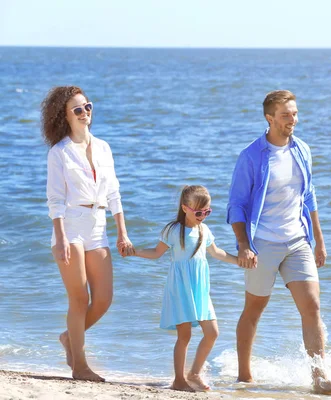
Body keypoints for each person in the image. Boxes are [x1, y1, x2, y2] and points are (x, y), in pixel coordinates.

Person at [227, 90, 331, 394]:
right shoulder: (252, 155)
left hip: (297, 241)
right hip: (263, 243)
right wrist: (243, 244)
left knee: (312, 307)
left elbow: (309, 196)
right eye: (285, 115)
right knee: (254, 310)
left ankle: (319, 379)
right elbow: (237, 205)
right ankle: (244, 376)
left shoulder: (302, 149)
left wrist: (319, 240)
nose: (292, 120)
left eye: (294, 113)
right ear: (270, 118)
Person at [43, 86, 135, 382]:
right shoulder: (59, 152)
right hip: (70, 224)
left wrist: (122, 232)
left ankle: (69, 338)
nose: (86, 113)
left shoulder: (104, 147)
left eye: (88, 107)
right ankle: (79, 367)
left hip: (98, 225)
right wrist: (59, 239)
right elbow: (55, 199)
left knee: (104, 299)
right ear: (65, 116)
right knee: (79, 298)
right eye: (78, 110)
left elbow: (114, 193)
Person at [128, 185, 239, 392]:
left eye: (207, 212)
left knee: (212, 332)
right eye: (199, 212)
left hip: (200, 287)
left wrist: (239, 261)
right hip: (180, 287)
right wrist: (134, 252)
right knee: (184, 336)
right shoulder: (173, 230)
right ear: (185, 208)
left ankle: (194, 373)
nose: (203, 216)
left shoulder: (204, 230)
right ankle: (178, 380)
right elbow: (156, 253)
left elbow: (217, 253)